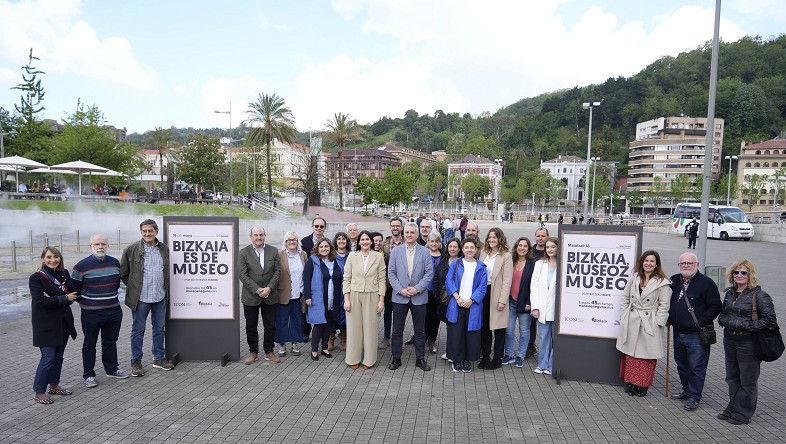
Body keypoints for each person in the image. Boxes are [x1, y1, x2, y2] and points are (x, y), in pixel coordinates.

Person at [717, 259, 777, 424]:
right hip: (730, 340)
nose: (739, 275)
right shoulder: (730, 293)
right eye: (736, 272)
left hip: (748, 343)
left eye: (744, 272)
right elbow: (723, 314)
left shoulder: (760, 295)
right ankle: (733, 407)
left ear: (750, 275)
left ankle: (743, 413)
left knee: (747, 380)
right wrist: (726, 320)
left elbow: (770, 320)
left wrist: (746, 325)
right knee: (732, 377)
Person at [71, 234, 128, 388]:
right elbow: (74, 290)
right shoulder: (81, 266)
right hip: (91, 313)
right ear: (91, 246)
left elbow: (117, 284)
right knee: (90, 344)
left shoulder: (115, 263)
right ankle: (89, 375)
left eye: (103, 244)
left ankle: (112, 369)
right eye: (97, 244)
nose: (100, 246)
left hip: (113, 311)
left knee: (110, 342)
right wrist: (88, 303)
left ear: (108, 246)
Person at [668, 251, 722, 411]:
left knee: (696, 367)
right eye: (683, 263)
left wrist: (700, 322)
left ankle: (694, 396)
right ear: (679, 265)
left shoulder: (706, 283)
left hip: (696, 334)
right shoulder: (674, 280)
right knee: (682, 365)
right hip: (677, 331)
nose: (686, 266)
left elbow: (715, 306)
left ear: (696, 265)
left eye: (689, 263)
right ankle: (686, 390)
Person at [120, 219, 174, 376]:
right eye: (144, 231)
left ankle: (159, 358)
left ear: (156, 231)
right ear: (141, 232)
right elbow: (124, 273)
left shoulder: (164, 249)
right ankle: (136, 361)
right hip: (141, 298)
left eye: (150, 231)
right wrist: (134, 288)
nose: (147, 233)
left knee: (159, 329)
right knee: (138, 330)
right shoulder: (131, 249)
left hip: (159, 296)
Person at [615, 251, 671, 397]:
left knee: (646, 356)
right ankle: (631, 383)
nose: (648, 263)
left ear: (657, 264)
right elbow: (625, 298)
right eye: (646, 260)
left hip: (649, 323)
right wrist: (624, 315)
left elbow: (664, 305)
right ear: (642, 262)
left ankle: (643, 385)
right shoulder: (634, 278)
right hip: (632, 320)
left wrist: (658, 323)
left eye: (652, 261)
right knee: (631, 356)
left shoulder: (662, 283)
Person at [30, 247, 78, 404]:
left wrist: (53, 298)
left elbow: (74, 295)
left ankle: (54, 385)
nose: (53, 260)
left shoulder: (64, 274)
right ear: (43, 259)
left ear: (60, 259)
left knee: (58, 357)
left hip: (63, 323)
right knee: (48, 357)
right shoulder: (36, 278)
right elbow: (40, 302)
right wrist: (63, 298)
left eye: (56, 257)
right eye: (49, 257)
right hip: (45, 325)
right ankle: (39, 391)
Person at [388, 222, 434, 371]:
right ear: (403, 233)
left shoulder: (425, 252)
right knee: (397, 330)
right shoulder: (396, 251)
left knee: (420, 330)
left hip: (418, 297)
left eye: (412, 232)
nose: (409, 235)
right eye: (407, 232)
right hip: (400, 297)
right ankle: (396, 358)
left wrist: (417, 289)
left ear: (417, 234)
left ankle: (420, 359)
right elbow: (391, 273)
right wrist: (400, 290)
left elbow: (429, 273)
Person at [343, 231, 387, 369]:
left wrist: (381, 300)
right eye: (362, 239)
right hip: (354, 294)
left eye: (367, 239)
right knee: (353, 328)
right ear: (359, 242)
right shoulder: (352, 256)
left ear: (371, 241)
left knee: (370, 328)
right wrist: (346, 299)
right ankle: (353, 358)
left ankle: (369, 360)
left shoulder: (378, 257)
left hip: (372, 295)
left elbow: (382, 279)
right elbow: (346, 278)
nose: (365, 242)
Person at [238, 226, 281, 365]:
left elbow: (277, 271)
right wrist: (257, 289)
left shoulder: (273, 251)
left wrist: (269, 288)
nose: (258, 238)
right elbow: (242, 275)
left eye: (261, 235)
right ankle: (253, 352)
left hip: (270, 295)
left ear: (265, 236)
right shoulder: (243, 253)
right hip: (251, 296)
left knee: (270, 326)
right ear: (251, 236)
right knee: (251, 326)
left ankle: (269, 351)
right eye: (256, 235)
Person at [445, 239, 488, 372]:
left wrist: (472, 300)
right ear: (462, 250)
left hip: (472, 305)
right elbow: (449, 281)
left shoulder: (481, 267)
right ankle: (456, 360)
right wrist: (457, 297)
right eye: (466, 247)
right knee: (456, 333)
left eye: (472, 247)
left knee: (471, 334)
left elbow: (482, 287)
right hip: (457, 303)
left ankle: (467, 360)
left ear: (476, 250)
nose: (469, 250)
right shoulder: (456, 263)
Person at [478, 227, 513, 370]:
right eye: (490, 237)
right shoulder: (483, 253)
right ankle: (485, 356)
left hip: (497, 293)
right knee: (485, 327)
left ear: (500, 239)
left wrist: (502, 300)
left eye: (495, 237)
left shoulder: (506, 256)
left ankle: (497, 358)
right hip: (483, 292)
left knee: (498, 329)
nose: (492, 240)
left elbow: (507, 280)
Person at [303, 238, 343, 361]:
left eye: (326, 246)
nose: (324, 249)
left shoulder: (336, 260)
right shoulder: (313, 261)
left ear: (330, 247)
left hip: (333, 298)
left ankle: (324, 347)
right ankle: (314, 349)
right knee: (319, 324)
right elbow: (306, 279)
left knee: (329, 324)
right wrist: (308, 296)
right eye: (321, 247)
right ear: (317, 248)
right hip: (319, 298)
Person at [503, 237, 535, 368]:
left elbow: (535, 285)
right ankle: (509, 354)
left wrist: (530, 302)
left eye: (525, 246)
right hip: (511, 301)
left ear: (528, 249)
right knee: (509, 330)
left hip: (525, 303)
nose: (522, 248)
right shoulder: (511, 261)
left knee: (524, 331)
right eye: (520, 245)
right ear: (516, 247)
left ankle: (520, 356)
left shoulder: (532, 264)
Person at [530, 236, 558, 375]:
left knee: (555, 339)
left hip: (556, 309)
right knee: (543, 337)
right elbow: (534, 286)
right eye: (548, 247)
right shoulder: (540, 264)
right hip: (542, 308)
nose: (550, 249)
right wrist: (535, 307)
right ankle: (542, 365)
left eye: (553, 247)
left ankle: (552, 366)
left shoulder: (563, 264)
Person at [275, 231, 306, 357]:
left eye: (294, 239)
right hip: (283, 293)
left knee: (296, 320)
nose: (292, 242)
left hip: (298, 293)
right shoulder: (280, 255)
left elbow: (306, 272)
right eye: (289, 240)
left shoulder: (303, 254)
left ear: (297, 241)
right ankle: (282, 344)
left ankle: (295, 343)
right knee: (281, 320)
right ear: (285, 241)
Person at [301, 217, 327, 343]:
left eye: (321, 226)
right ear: (312, 227)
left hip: (322, 279)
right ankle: (306, 332)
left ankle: (321, 332)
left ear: (324, 228)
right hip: (308, 276)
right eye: (316, 226)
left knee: (321, 307)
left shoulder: (327, 242)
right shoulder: (304, 242)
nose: (319, 228)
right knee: (306, 307)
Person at [438, 238, 463, 362]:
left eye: (455, 247)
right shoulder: (443, 261)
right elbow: (436, 279)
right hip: (444, 300)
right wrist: (437, 295)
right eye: (450, 246)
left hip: (458, 299)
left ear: (459, 249)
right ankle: (450, 351)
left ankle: (455, 352)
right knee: (449, 326)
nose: (452, 249)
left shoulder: (462, 262)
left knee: (456, 327)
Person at [380, 218, 404, 349]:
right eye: (393, 226)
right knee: (388, 312)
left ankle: (398, 339)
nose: (395, 228)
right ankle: (386, 337)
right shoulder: (384, 244)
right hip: (388, 285)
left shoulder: (407, 242)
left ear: (401, 227)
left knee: (400, 314)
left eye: (397, 226)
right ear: (390, 227)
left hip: (403, 284)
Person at [330, 232, 350, 351]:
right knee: (333, 311)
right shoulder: (331, 255)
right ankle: (331, 337)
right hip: (334, 288)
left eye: (343, 239)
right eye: (339, 239)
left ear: (347, 241)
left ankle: (343, 337)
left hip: (347, 289)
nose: (341, 241)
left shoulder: (351, 255)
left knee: (345, 312)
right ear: (336, 241)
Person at [425, 232, 445, 354]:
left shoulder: (443, 255)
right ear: (428, 242)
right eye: (432, 241)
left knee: (435, 317)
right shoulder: (423, 254)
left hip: (438, 292)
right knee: (424, 317)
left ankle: (432, 340)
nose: (434, 244)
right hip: (424, 291)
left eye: (436, 241)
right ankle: (423, 338)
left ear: (440, 243)